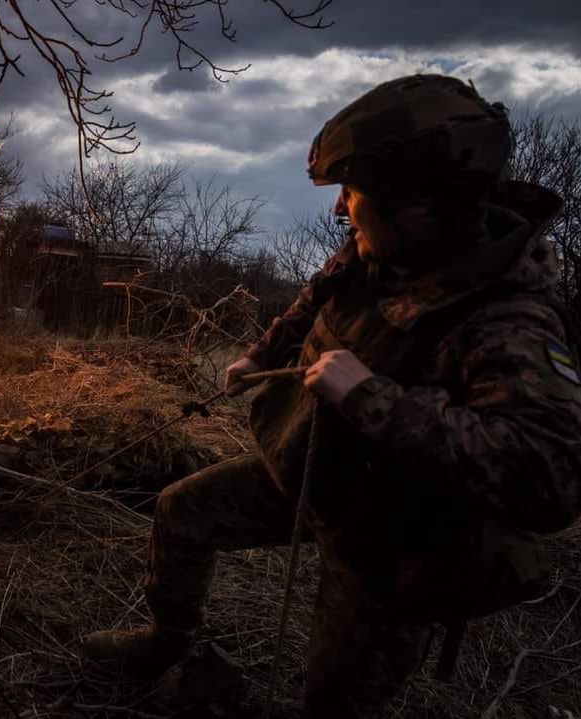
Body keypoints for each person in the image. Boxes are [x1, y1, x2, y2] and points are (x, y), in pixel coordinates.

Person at [82, 74, 581, 717]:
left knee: (335, 702)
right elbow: (315, 297)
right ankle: (165, 640)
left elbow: (548, 476)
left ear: (419, 207)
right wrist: (264, 352)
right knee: (182, 512)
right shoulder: (382, 248)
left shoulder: (509, 320)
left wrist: (370, 397)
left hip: (393, 542)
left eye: (352, 193)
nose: (340, 209)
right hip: (312, 473)